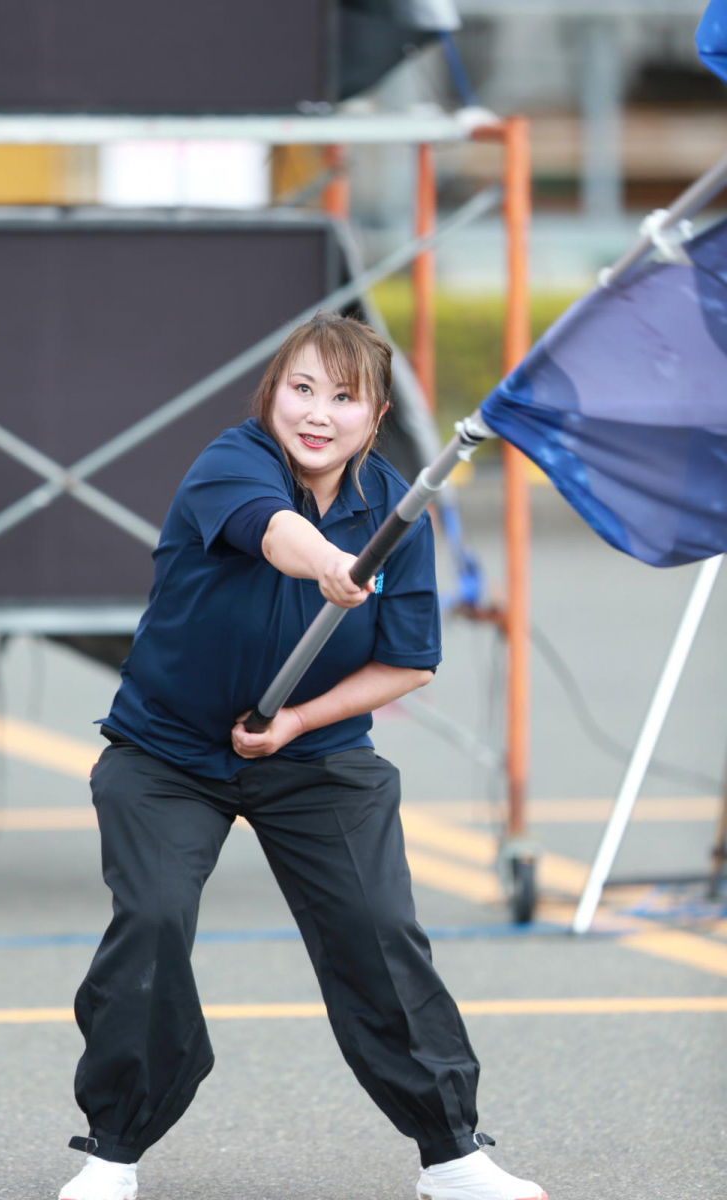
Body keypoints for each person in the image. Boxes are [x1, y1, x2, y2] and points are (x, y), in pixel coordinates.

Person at [59, 314, 547, 1200]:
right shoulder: (232, 460)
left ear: (377, 414)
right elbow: (272, 530)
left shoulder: (397, 511)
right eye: (302, 389)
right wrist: (329, 563)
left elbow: (408, 662)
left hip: (311, 752)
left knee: (379, 934)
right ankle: (113, 1152)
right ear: (273, 394)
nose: (319, 413)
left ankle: (453, 1155)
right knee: (155, 920)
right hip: (167, 752)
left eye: (345, 398)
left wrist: (297, 721)